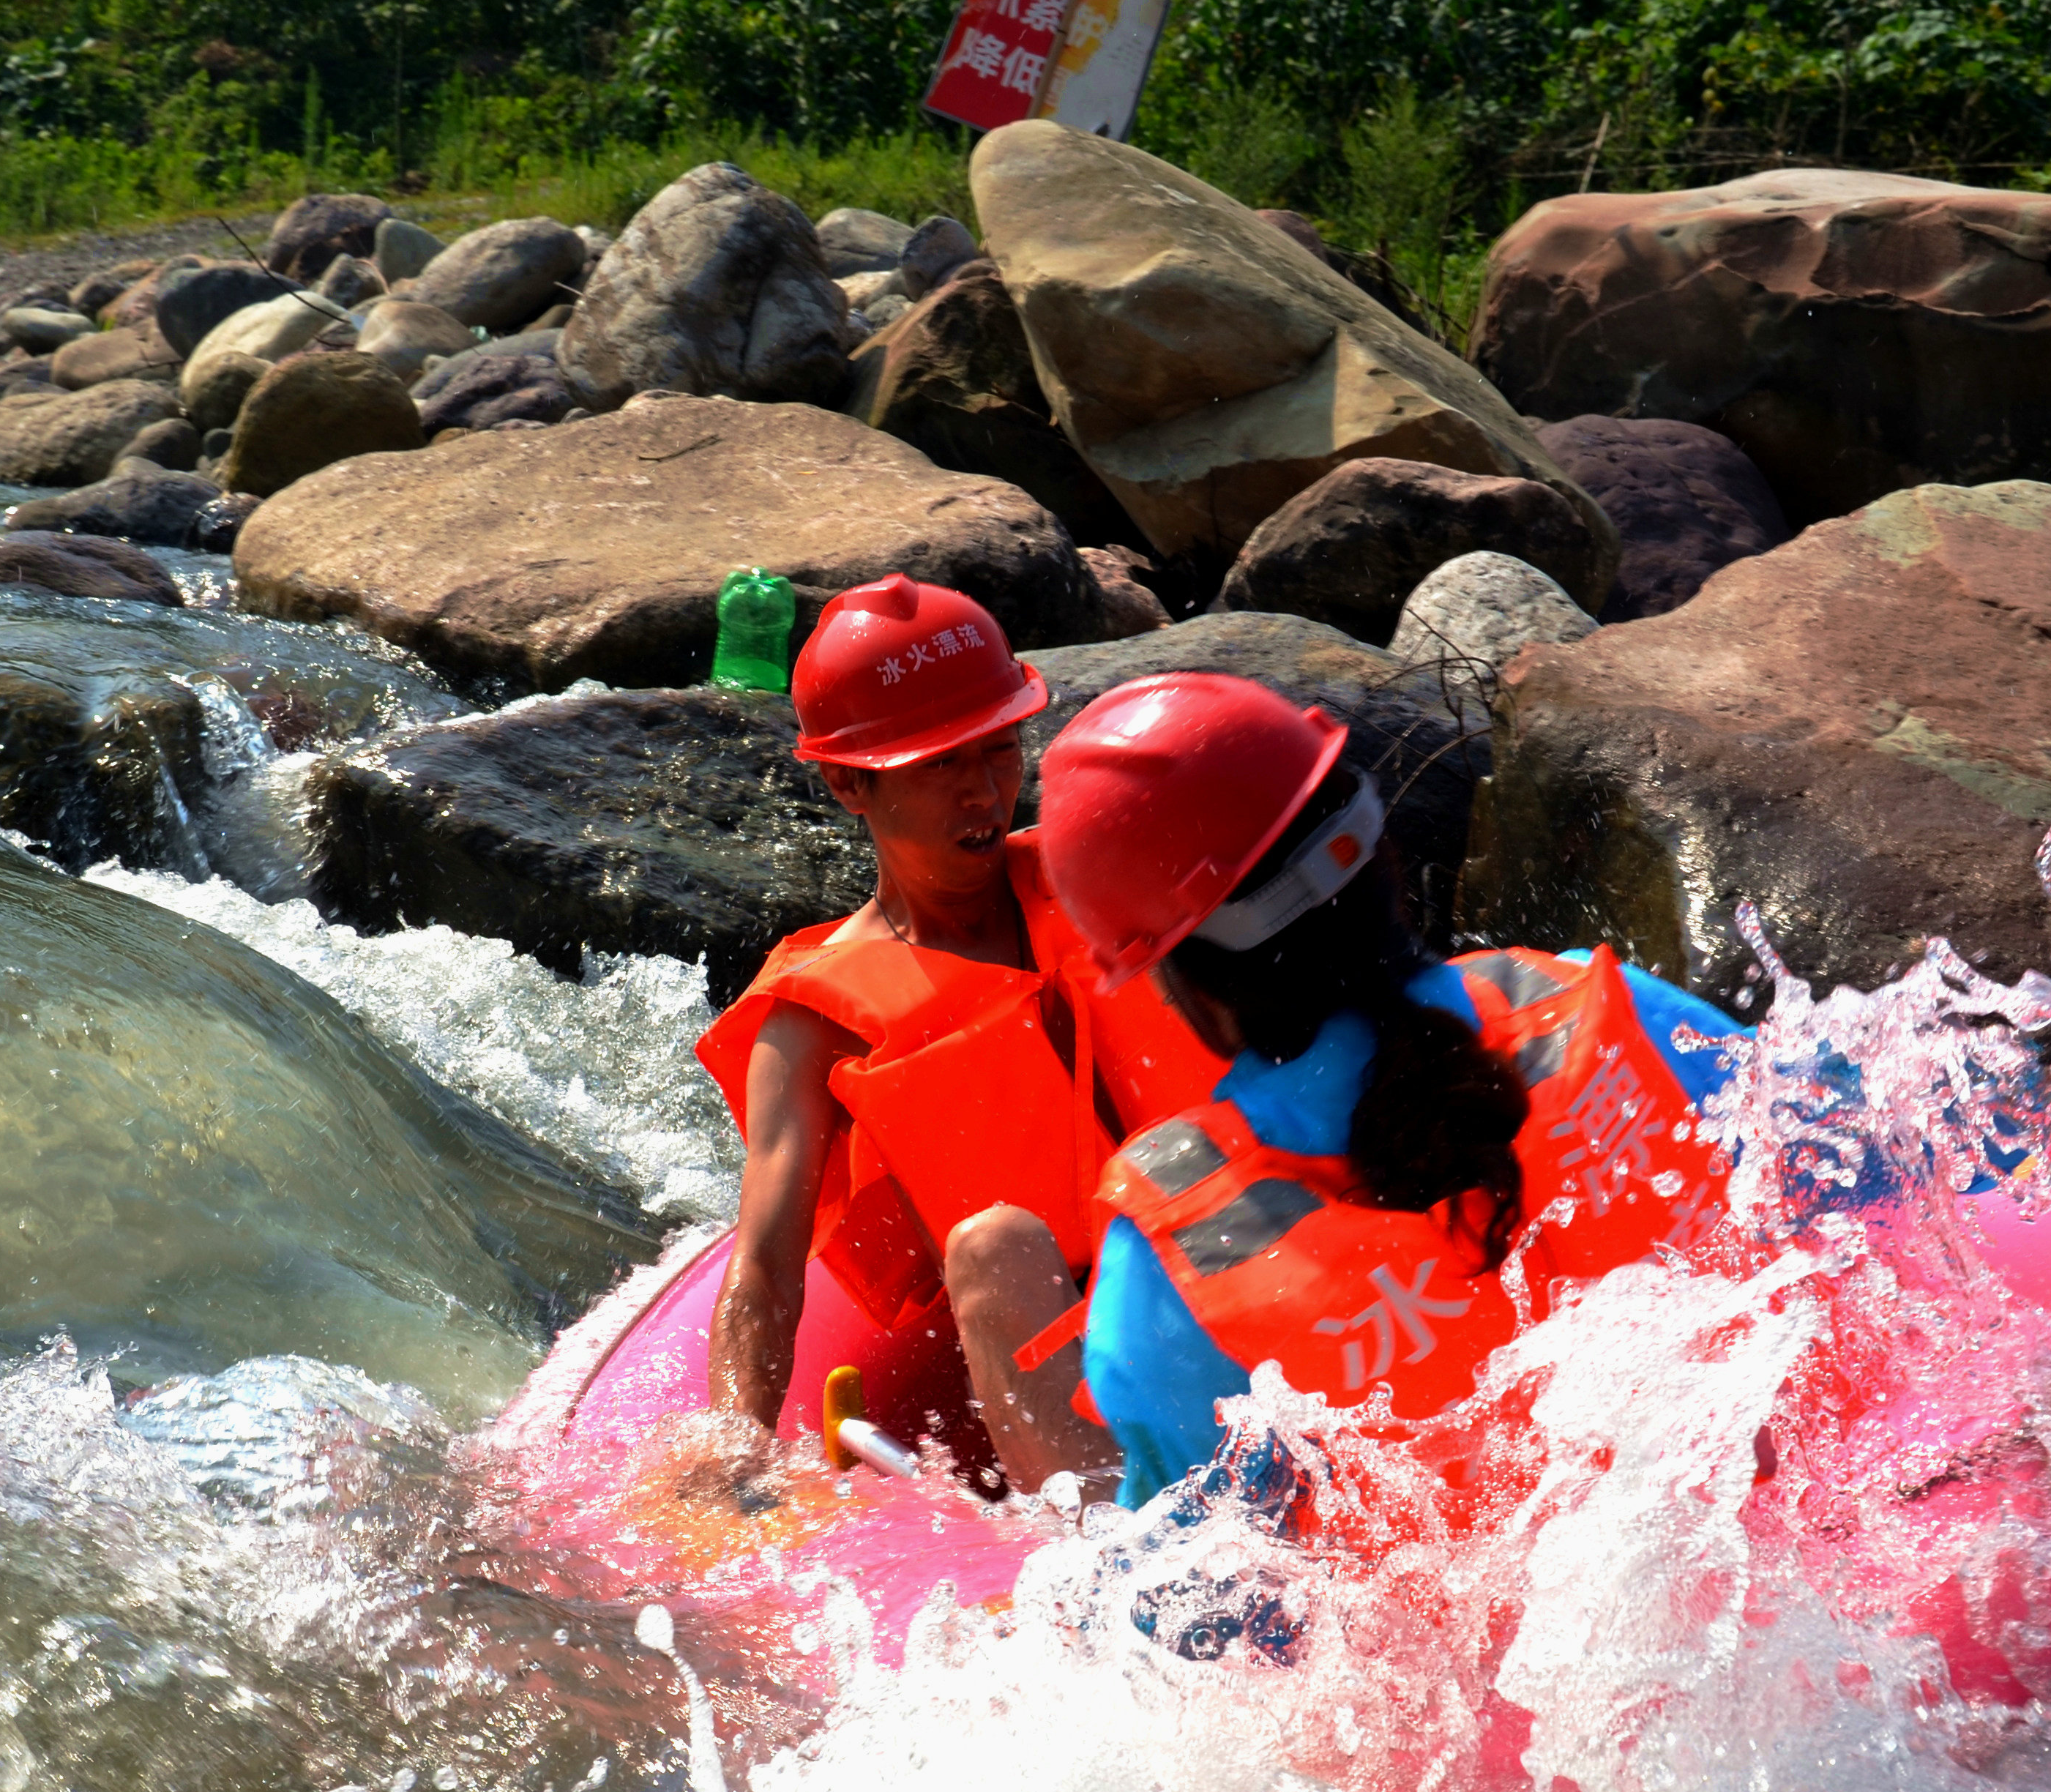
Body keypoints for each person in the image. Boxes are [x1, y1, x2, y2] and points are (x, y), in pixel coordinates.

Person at [1039, 672, 1751, 1506]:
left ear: (1182, 981)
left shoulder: (1176, 1252)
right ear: (1382, 855)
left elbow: (1189, 1603)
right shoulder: (1600, 1013)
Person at [694, 575, 1218, 1490]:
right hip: (1044, 1348)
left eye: (1001, 748)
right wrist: (732, 1455)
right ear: (847, 783)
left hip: (1218, 1276)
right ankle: (1117, 1555)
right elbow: (767, 1275)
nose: (983, 792)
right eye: (939, 766)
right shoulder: (809, 1019)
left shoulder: (1100, 876)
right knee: (991, 1245)